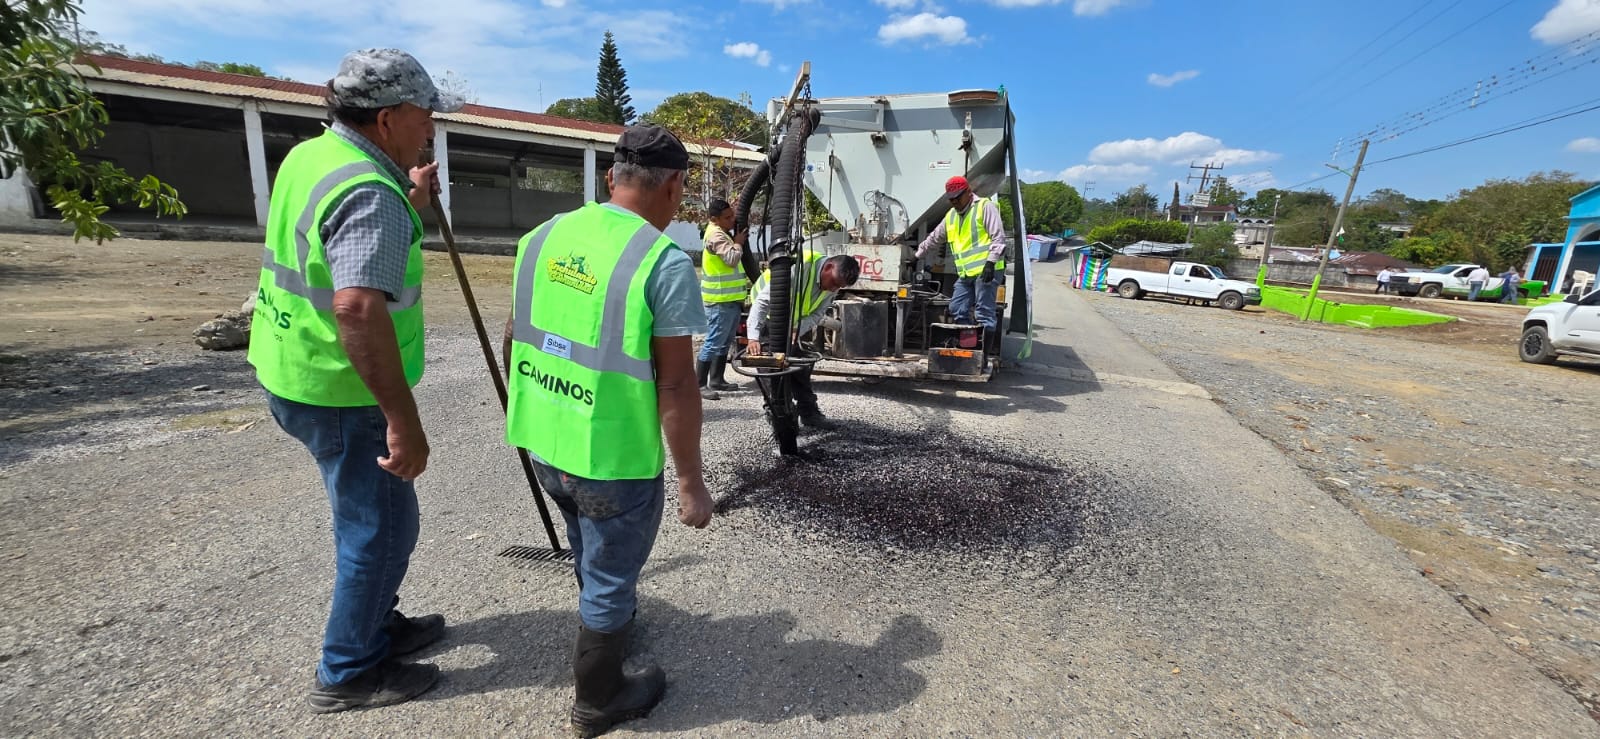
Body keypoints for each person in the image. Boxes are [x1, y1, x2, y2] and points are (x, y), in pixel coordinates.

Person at [248, 49, 461, 713]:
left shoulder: (315, 156)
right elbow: (357, 308)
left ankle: (375, 623)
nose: (431, 128)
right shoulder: (370, 192)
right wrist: (402, 419)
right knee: (381, 529)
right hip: (343, 389)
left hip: (291, 368)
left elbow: (342, 239)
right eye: (425, 115)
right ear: (388, 118)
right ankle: (348, 670)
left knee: (367, 518)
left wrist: (411, 198)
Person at [502, 125, 713, 738]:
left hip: (544, 440)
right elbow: (677, 385)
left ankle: (607, 619)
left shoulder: (543, 236)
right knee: (612, 571)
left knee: (585, 541)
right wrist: (691, 482)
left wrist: (532, 405)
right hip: (612, 459)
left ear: (611, 177)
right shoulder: (662, 262)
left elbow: (515, 335)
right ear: (673, 186)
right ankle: (599, 698)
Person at [747, 250, 862, 430]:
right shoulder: (798, 268)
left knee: (799, 366)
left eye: (838, 287)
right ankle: (777, 412)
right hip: (768, 317)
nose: (833, 289)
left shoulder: (833, 282)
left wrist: (798, 328)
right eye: (833, 283)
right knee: (771, 368)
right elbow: (762, 302)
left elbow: (817, 314)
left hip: (793, 322)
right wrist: (753, 337)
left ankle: (809, 413)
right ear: (828, 267)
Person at [914, 175, 1007, 331]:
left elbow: (998, 237)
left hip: (986, 271)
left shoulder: (984, 207)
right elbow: (934, 238)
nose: (955, 201)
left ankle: (984, 346)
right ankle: (970, 337)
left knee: (984, 313)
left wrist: (990, 263)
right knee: (957, 307)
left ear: (968, 192)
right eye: (951, 199)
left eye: (958, 197)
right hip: (966, 274)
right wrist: (917, 256)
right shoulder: (951, 216)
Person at [697, 198, 749, 399]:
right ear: (714, 219)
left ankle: (717, 379)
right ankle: (699, 384)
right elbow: (731, 259)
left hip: (729, 299)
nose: (732, 219)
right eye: (727, 217)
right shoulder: (715, 235)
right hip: (719, 299)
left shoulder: (722, 232)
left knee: (724, 341)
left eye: (732, 215)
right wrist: (738, 243)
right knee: (713, 341)